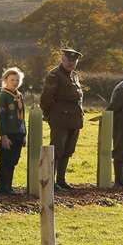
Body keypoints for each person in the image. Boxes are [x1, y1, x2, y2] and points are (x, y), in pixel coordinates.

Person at [38, 48, 85, 189]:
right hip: (60, 117)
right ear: (62, 60)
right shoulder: (54, 75)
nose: (71, 63)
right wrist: (48, 114)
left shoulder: (74, 76)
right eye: (69, 60)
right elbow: (46, 97)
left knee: (68, 150)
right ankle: (50, 181)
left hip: (74, 119)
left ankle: (61, 180)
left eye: (74, 61)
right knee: (57, 150)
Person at [0, 67, 27, 195]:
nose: (15, 82)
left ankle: (9, 186)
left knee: (14, 161)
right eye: (12, 79)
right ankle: (2, 188)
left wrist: (24, 134)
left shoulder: (19, 95)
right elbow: (1, 117)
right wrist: (3, 136)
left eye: (17, 80)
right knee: (6, 161)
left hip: (18, 133)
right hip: (8, 134)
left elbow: (22, 116)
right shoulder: (3, 96)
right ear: (5, 80)